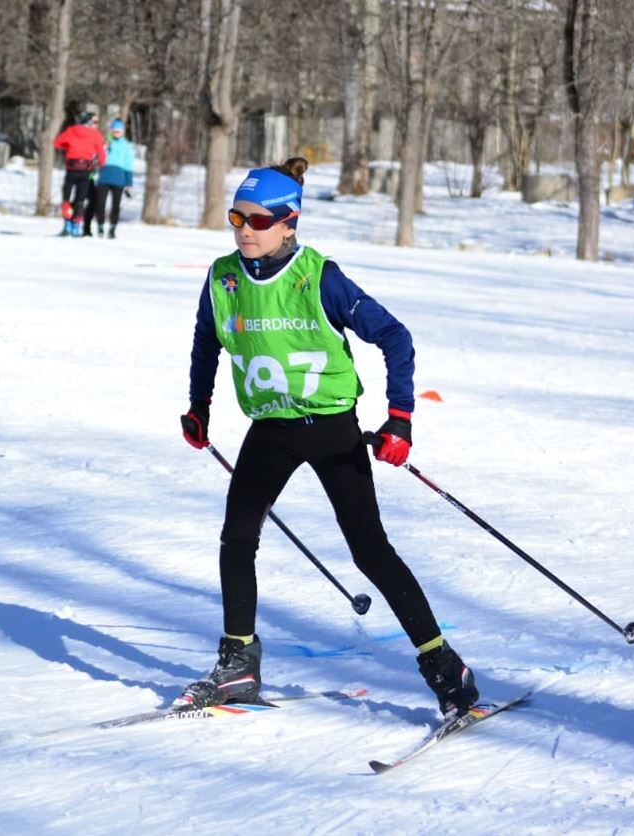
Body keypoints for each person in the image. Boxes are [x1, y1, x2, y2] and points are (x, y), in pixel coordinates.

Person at [176, 157, 479, 720]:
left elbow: (394, 336)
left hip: (332, 429)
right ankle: (238, 659)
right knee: (237, 536)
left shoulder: (319, 276)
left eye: (259, 220)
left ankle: (445, 667)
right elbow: (205, 343)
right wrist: (199, 406)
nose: (245, 228)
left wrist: (400, 419)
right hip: (270, 429)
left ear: (289, 223)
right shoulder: (222, 278)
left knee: (369, 551)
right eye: (236, 217)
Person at [53, 111, 105, 237]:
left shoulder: (71, 130)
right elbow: (102, 157)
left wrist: (69, 147)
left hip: (71, 168)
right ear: (89, 122)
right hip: (86, 170)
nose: (96, 124)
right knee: (80, 200)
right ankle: (76, 227)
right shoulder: (96, 135)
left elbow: (57, 143)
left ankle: (67, 226)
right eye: (94, 122)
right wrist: (96, 164)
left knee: (66, 198)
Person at [93, 118, 134, 239]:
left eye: (119, 131)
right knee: (100, 204)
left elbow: (128, 165)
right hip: (104, 178)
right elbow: (96, 158)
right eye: (114, 131)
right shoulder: (105, 142)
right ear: (111, 131)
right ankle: (100, 226)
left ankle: (112, 229)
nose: (116, 133)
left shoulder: (126, 145)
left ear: (122, 132)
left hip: (119, 180)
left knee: (115, 206)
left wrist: (129, 183)